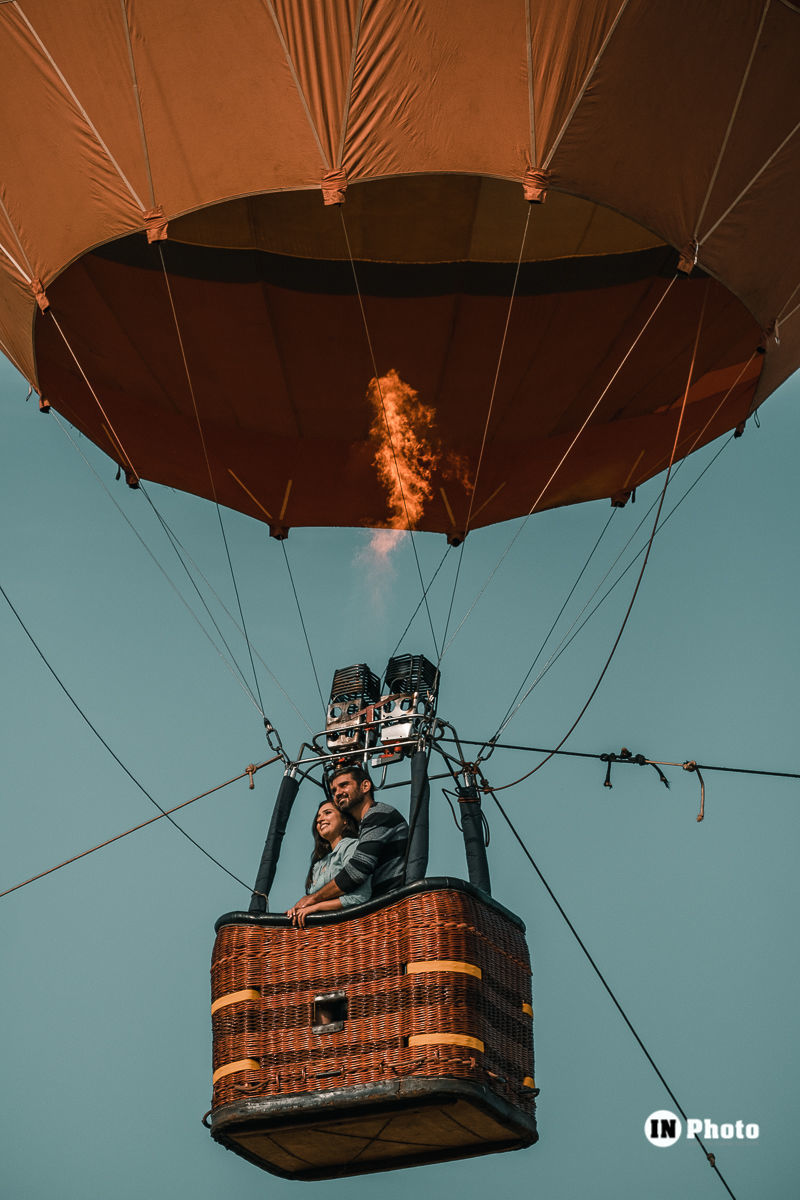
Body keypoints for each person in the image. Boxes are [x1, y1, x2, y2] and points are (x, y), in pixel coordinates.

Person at [287, 763, 408, 924]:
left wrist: (313, 900)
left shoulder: (379, 815)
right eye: (334, 790)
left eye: (344, 785)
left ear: (365, 786)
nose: (337, 793)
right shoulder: (364, 826)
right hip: (379, 907)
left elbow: (357, 872)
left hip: (389, 906)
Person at [288, 799, 372, 927]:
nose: (320, 819)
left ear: (345, 821)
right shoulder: (318, 864)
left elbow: (360, 897)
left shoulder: (352, 846)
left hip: (348, 928)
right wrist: (296, 911)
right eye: (318, 817)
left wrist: (316, 907)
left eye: (327, 813)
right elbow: (309, 903)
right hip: (321, 933)